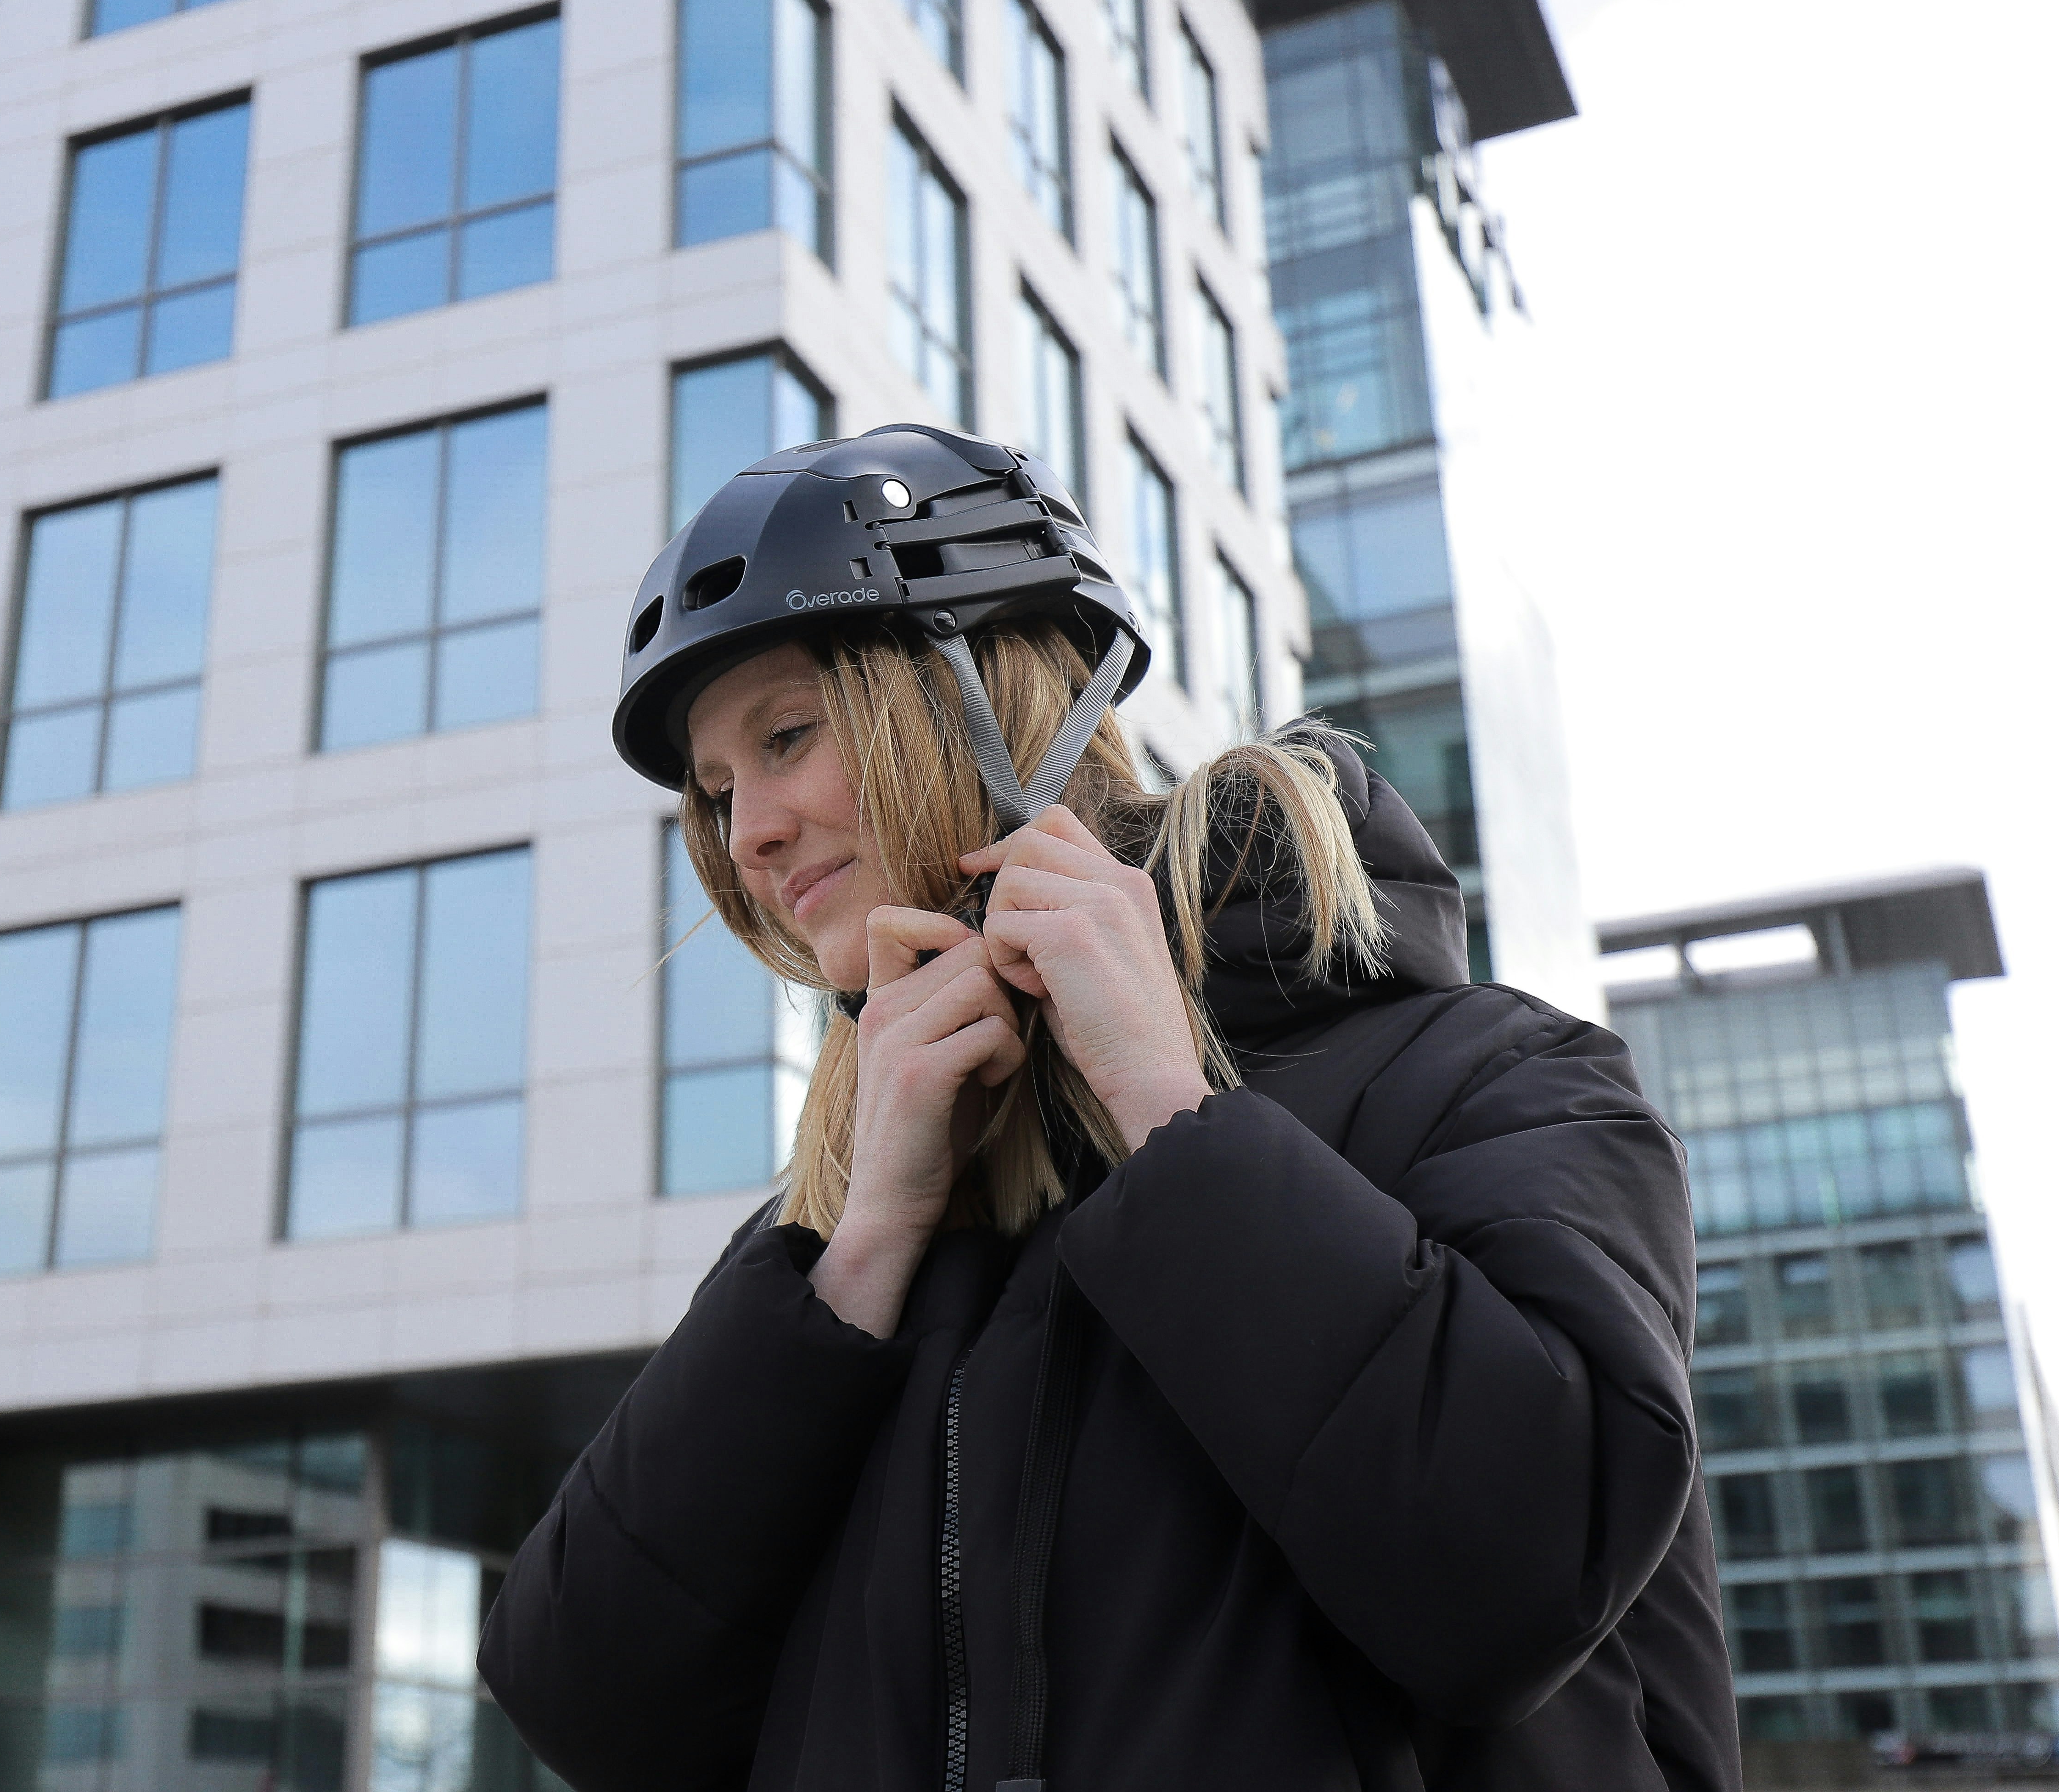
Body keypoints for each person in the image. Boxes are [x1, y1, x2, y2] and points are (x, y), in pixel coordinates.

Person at [481, 424, 1738, 1791]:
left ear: (997, 703)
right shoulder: (850, 1244)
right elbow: (583, 1702)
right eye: (718, 793)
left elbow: (1523, 1571)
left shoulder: (1495, 1084)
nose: (749, 834)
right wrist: (857, 1255)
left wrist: (1166, 1105)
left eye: (787, 737)